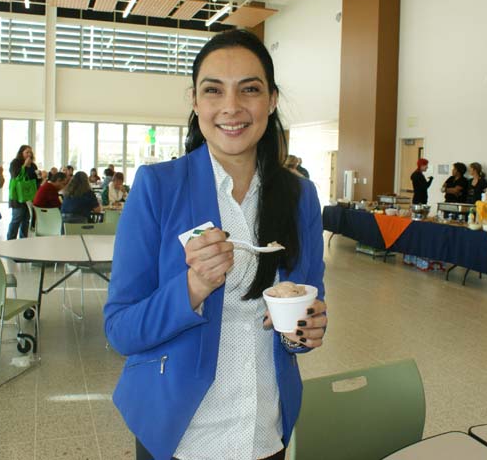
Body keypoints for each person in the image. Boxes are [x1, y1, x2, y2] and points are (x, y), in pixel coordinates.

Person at [104, 29, 327, 460]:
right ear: (195, 101)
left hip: (264, 429)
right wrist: (192, 288)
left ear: (272, 100)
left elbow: (305, 311)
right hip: (180, 434)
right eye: (213, 90)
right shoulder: (158, 188)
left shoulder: (301, 197)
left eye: (250, 89)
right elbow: (120, 330)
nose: (231, 107)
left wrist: (305, 330)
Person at [7, 145, 40, 240]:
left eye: (30, 152)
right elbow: (15, 176)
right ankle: (10, 239)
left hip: (29, 195)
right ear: (21, 153)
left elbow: (35, 179)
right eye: (27, 152)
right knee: (16, 218)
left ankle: (23, 239)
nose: (29, 154)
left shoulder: (33, 165)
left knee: (26, 220)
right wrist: (24, 166)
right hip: (18, 196)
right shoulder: (15, 163)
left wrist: (39, 175)